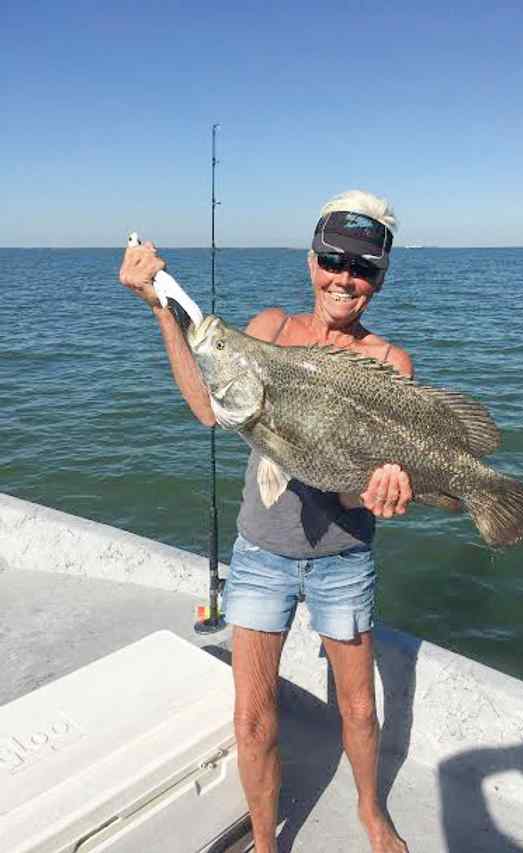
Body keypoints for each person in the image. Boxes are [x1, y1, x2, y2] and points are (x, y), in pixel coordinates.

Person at [119, 190, 413, 853]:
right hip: (260, 555)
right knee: (252, 720)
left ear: (382, 278)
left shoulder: (391, 364)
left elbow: (361, 493)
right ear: (312, 261)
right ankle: (264, 840)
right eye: (334, 259)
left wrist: (381, 494)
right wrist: (162, 310)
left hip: (344, 558)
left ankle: (372, 812)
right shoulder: (272, 330)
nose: (346, 278)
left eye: (363, 267)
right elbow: (207, 406)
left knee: (360, 709)